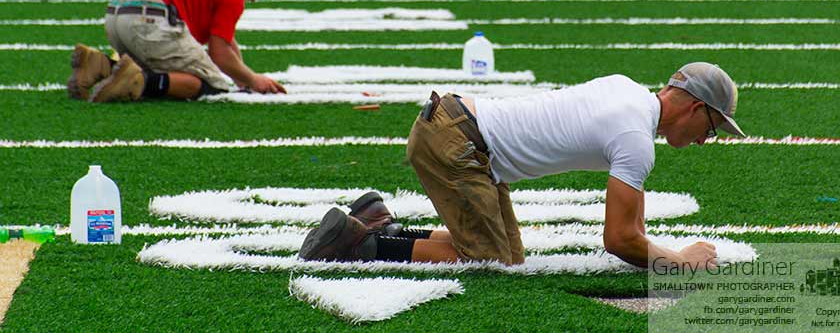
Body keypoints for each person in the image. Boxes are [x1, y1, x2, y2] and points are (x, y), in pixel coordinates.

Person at [297, 62, 742, 271]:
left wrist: (657, 251)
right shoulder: (634, 138)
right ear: (695, 107)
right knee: (487, 258)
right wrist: (681, 262)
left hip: (463, 134)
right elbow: (620, 239)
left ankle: (382, 226)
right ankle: (359, 245)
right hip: (460, 143)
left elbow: (634, 226)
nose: (708, 138)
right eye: (714, 125)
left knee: (510, 257)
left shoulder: (627, 94)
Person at [68, 0, 287, 103]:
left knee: (166, 73)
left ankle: (101, 67)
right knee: (211, 85)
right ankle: (138, 81)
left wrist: (243, 78)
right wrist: (253, 80)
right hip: (147, 19)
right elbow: (219, 53)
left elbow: (226, 40)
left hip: (117, 13)